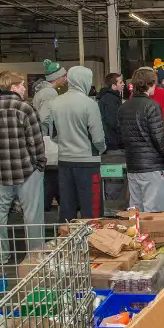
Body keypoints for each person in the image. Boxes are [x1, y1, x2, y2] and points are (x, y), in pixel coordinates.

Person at [0, 70, 45, 262]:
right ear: (14, 87)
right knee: (32, 216)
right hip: (26, 170)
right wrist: (39, 164)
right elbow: (35, 141)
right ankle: (35, 256)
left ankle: (2, 255)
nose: (25, 88)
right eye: (23, 85)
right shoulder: (25, 109)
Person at [48, 65, 107, 221]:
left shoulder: (55, 103)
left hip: (64, 161)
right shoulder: (90, 104)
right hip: (88, 162)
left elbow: (52, 134)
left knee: (67, 208)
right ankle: (93, 243)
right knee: (92, 211)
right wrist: (101, 150)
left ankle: (67, 243)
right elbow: (98, 138)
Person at [120, 66, 164, 212]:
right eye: (154, 83)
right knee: (153, 214)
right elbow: (159, 136)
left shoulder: (124, 107)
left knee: (135, 212)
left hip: (132, 165)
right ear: (149, 84)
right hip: (152, 166)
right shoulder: (152, 106)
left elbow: (122, 136)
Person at [97, 72, 127, 205]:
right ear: (114, 85)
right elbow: (114, 123)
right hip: (114, 146)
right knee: (115, 181)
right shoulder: (111, 100)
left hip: (109, 145)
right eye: (121, 82)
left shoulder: (107, 98)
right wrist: (123, 137)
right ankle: (114, 211)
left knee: (112, 180)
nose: (123, 84)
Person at [33, 59, 66, 129]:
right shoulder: (50, 92)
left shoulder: (44, 90)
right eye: (64, 76)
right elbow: (44, 118)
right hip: (47, 136)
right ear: (57, 78)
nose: (66, 78)